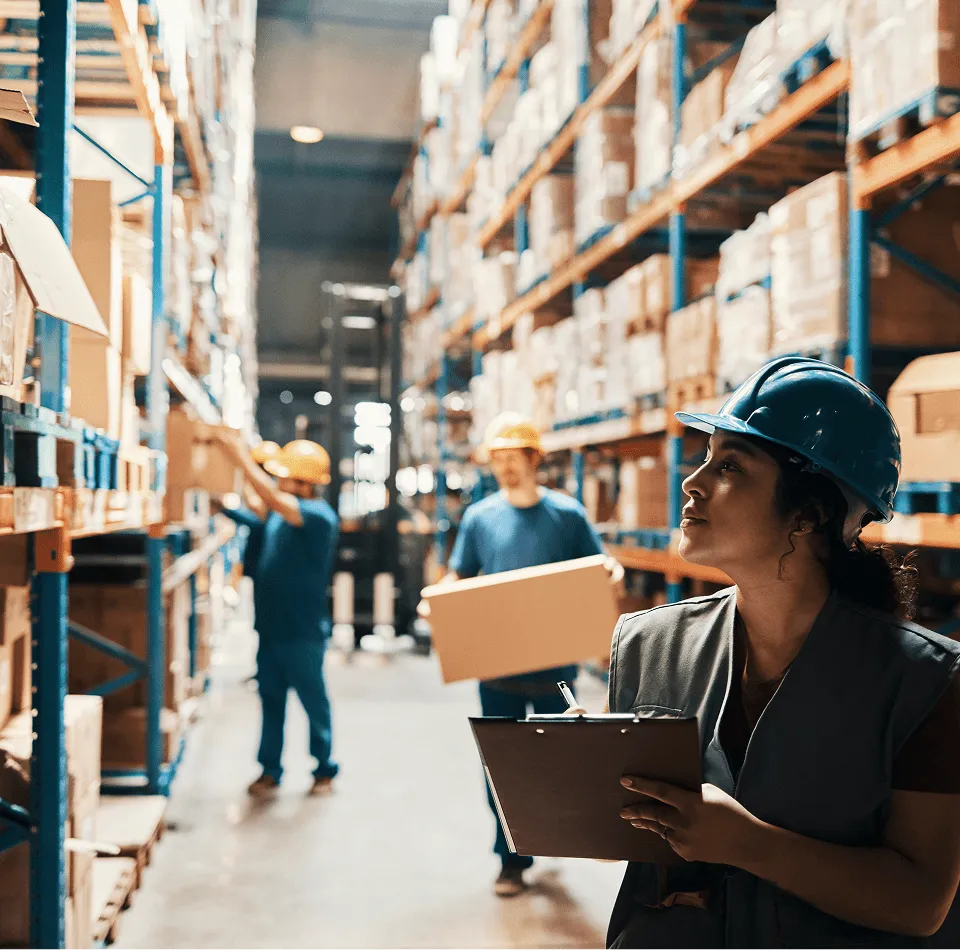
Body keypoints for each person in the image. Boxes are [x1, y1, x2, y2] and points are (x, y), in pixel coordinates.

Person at [601, 357, 960, 949]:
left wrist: (747, 843)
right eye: (705, 457)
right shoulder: (647, 646)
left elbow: (922, 901)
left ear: (810, 512)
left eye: (731, 466)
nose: (692, 481)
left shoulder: (922, 682)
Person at [428, 412, 624, 898]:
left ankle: (559, 837)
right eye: (497, 459)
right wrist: (438, 597)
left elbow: (597, 565)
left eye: (512, 457)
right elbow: (461, 575)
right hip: (496, 666)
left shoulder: (567, 515)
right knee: (502, 766)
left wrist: (612, 572)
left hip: (554, 667)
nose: (504, 468)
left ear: (534, 459)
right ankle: (511, 859)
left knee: (560, 762)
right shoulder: (480, 518)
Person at [214, 435, 341, 798]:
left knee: (313, 702)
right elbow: (257, 511)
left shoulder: (317, 517)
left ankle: (324, 769)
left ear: (303, 482)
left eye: (284, 476)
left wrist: (239, 458)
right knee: (271, 701)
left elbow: (269, 500)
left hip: (301, 632)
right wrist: (215, 500)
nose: (277, 480)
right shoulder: (279, 517)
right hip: (270, 629)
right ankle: (270, 770)